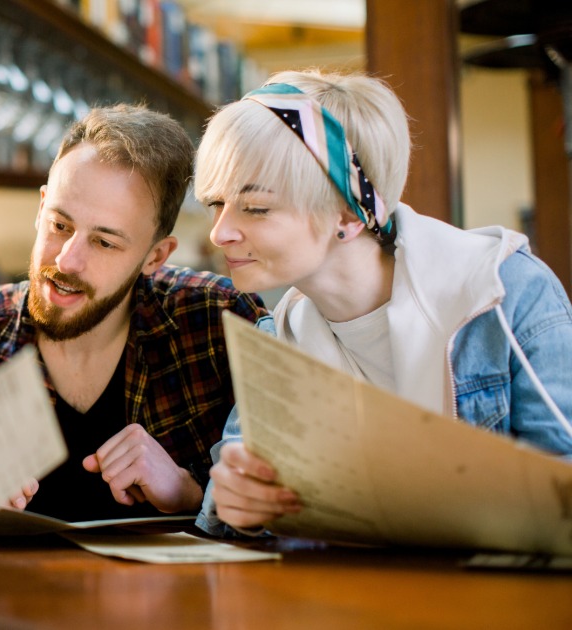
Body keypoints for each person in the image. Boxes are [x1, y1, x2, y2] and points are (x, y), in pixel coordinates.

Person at [195, 70, 572, 536]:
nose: (219, 232)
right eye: (216, 203)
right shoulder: (279, 336)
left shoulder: (504, 293)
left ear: (350, 216)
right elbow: (222, 521)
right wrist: (239, 505)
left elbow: (565, 497)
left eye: (256, 208)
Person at [0, 104, 267, 522]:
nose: (67, 261)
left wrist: (188, 492)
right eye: (59, 225)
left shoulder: (219, 321)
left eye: (104, 243)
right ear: (41, 207)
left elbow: (290, 504)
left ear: (155, 256)